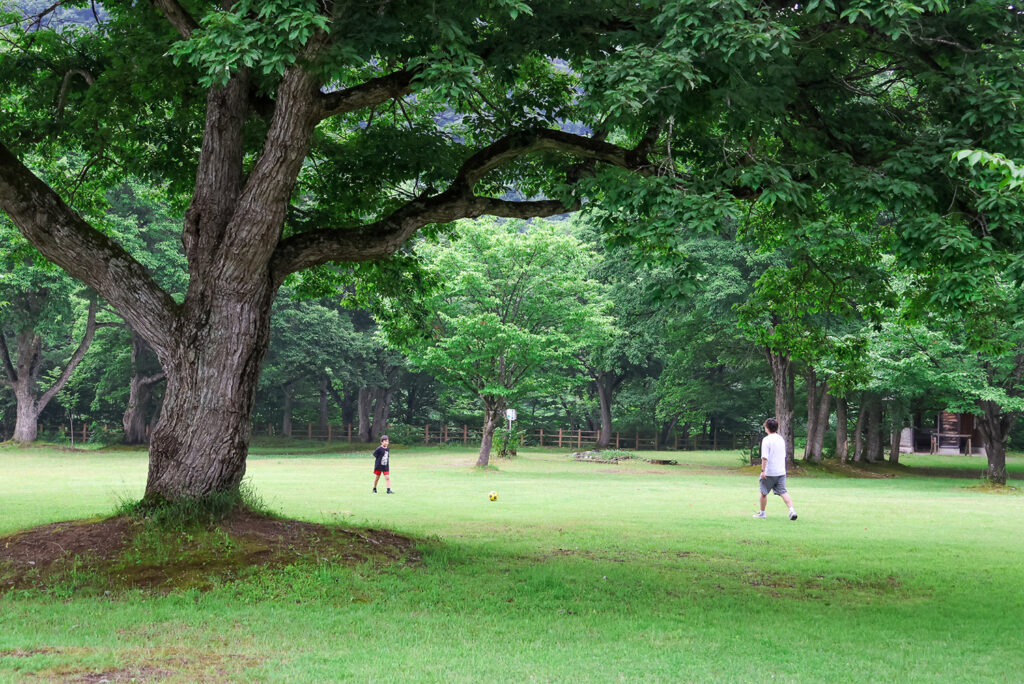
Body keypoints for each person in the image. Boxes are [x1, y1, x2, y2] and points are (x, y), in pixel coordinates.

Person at [753, 418, 797, 520]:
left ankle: (762, 513)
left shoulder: (766, 440)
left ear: (767, 428)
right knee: (783, 492)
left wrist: (763, 471)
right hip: (781, 471)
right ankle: (792, 511)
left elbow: (765, 457)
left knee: (763, 493)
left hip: (770, 472)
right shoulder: (780, 439)